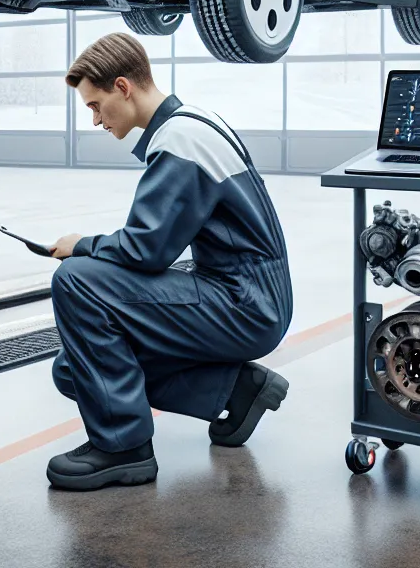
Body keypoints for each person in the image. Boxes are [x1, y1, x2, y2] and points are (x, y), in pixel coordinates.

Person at [44, 32, 293, 491]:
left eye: (95, 105)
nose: (95, 120)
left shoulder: (181, 140)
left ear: (123, 86)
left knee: (76, 281)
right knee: (73, 369)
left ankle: (124, 449)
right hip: (243, 291)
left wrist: (81, 245)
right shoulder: (192, 123)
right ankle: (237, 391)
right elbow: (158, 242)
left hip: (244, 302)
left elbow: (147, 249)